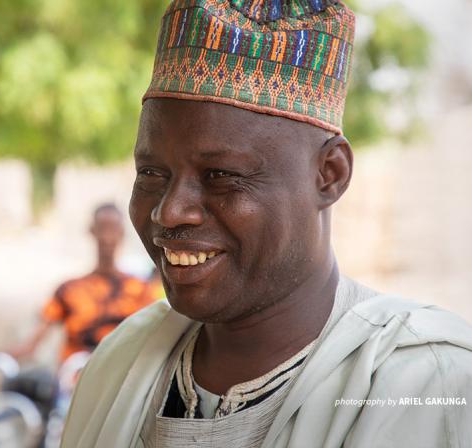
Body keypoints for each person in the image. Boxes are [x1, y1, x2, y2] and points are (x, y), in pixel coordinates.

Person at [61, 1, 472, 447]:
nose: (170, 212)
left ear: (330, 175)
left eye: (221, 177)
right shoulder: (122, 360)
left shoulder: (423, 381)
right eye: (151, 174)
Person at [11, 203, 155, 363]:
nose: (107, 237)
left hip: (120, 377)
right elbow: (32, 345)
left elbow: (153, 343)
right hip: (74, 378)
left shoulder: (140, 290)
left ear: (121, 233)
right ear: (91, 231)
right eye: (102, 228)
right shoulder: (69, 289)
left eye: (113, 229)